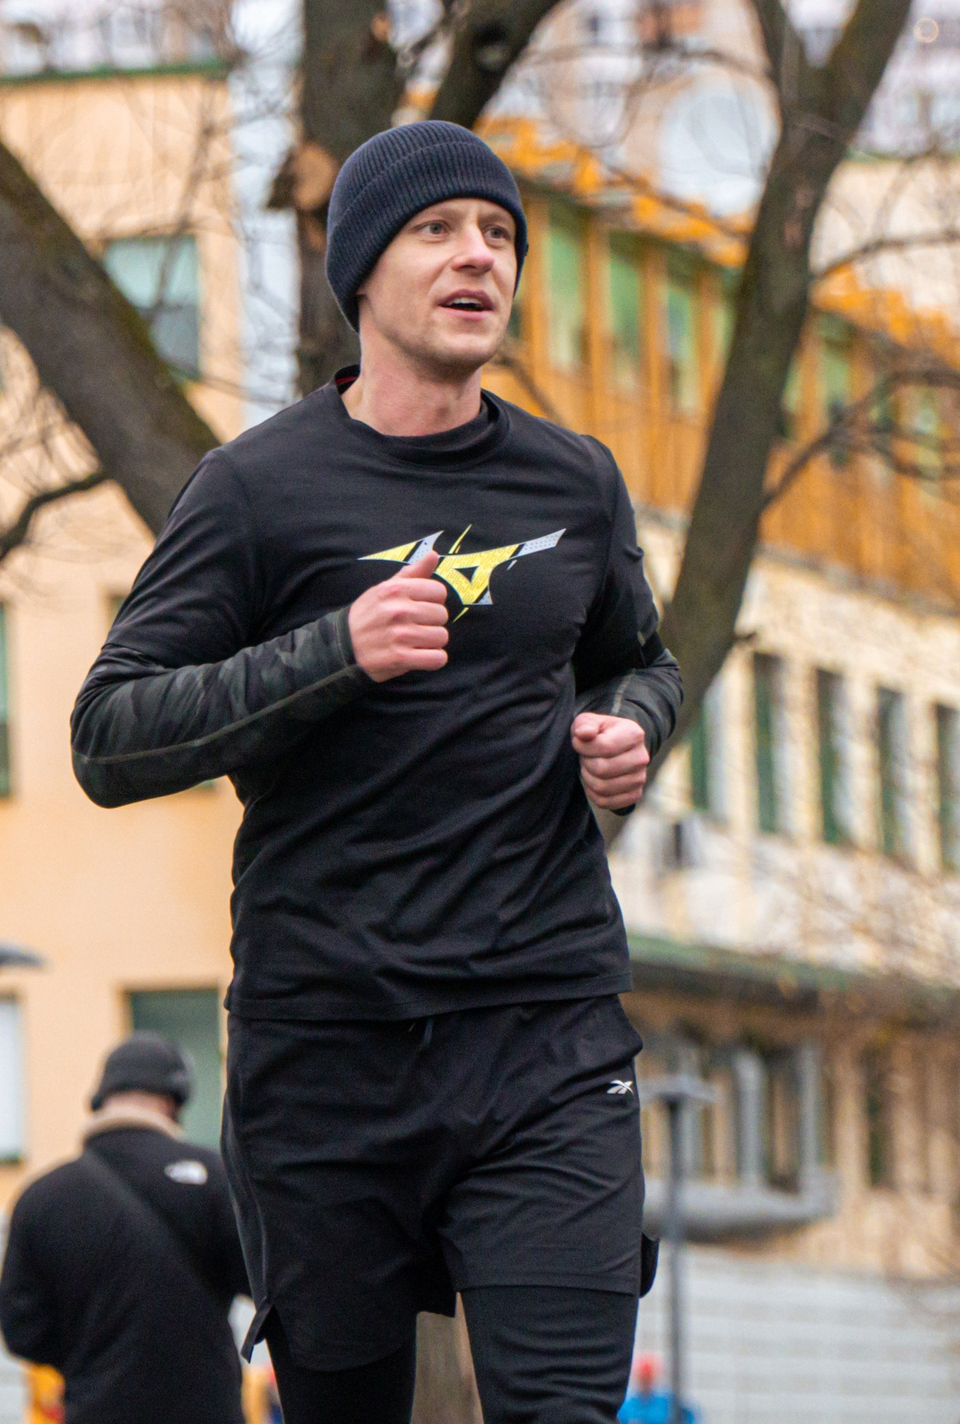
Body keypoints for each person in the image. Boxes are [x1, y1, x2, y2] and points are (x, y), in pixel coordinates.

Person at [72, 119, 682, 1423]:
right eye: (439, 229)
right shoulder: (256, 490)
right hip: (326, 1050)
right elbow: (111, 736)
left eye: (501, 233)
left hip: (546, 1033)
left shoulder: (573, 481)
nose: (480, 256)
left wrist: (632, 725)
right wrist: (330, 652)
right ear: (362, 272)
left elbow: (644, 662)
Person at [0, 1033, 250, 1424]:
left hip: (96, 1411)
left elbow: (21, 1329)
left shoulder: (41, 1198)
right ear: (174, 1100)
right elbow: (260, 1283)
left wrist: (91, 1359)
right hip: (206, 1410)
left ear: (101, 1100)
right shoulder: (214, 1177)